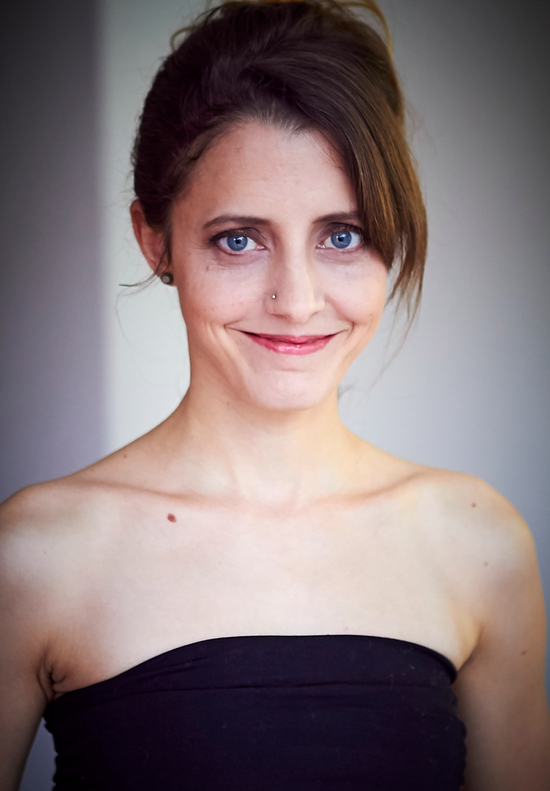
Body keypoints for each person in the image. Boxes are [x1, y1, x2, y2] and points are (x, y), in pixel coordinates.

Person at [1, 0, 549, 788]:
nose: (296, 300)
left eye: (342, 236)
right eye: (239, 239)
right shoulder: (35, 556)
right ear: (154, 239)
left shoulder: (478, 543)